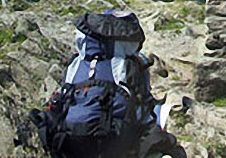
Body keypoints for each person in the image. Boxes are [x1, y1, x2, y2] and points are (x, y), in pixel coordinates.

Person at [38, 9, 155, 157]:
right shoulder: (130, 64)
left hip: (70, 137)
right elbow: (144, 107)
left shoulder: (76, 63)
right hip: (114, 139)